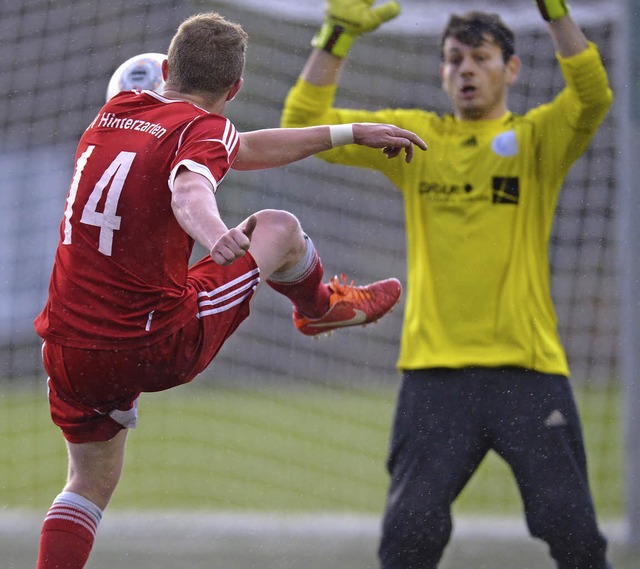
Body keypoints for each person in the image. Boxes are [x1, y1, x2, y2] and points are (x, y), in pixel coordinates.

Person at [32, 11, 428, 569]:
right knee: (278, 228)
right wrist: (216, 234)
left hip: (68, 348)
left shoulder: (111, 114)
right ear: (235, 89)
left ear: (167, 69)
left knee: (86, 484)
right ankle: (319, 309)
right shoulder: (204, 129)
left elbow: (241, 150)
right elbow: (190, 192)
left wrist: (350, 131)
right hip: (152, 342)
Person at [281, 0, 613, 567]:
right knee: (407, 539)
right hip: (436, 378)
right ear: (441, 72)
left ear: (510, 69)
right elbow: (301, 125)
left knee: (575, 533)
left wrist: (555, 11)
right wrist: (335, 36)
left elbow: (593, 95)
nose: (465, 69)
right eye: (454, 58)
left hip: (528, 372)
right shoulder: (416, 141)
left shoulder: (536, 141)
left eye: (480, 58)